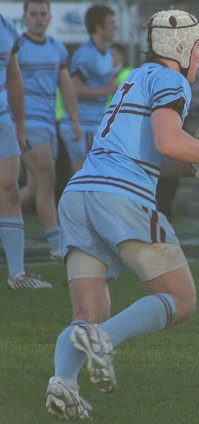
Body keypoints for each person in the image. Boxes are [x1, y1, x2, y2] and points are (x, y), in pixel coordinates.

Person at [45, 9, 199, 420]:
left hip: (80, 194)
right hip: (121, 197)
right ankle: (103, 339)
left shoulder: (133, 78)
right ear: (182, 47)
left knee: (86, 314)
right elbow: (168, 139)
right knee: (182, 299)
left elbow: (155, 150)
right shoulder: (172, 80)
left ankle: (63, 383)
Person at [18, 0, 81, 261]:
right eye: (33, 14)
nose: (39, 18)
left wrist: (74, 119)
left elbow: (66, 87)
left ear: (50, 17)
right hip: (26, 121)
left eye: (43, 14)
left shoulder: (56, 47)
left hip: (48, 123)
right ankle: (57, 245)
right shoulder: (16, 47)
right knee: (47, 178)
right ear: (24, 17)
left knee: (34, 188)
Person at [0, 14, 52, 289]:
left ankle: (17, 275)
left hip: (3, 122)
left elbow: (13, 77)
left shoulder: (7, 26)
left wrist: (20, 124)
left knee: (8, 189)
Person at [60, 5, 117, 173]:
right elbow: (73, 88)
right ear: (98, 27)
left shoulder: (106, 53)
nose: (116, 27)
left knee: (96, 179)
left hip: (95, 124)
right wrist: (106, 91)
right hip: (82, 125)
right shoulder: (86, 54)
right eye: (111, 23)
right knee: (82, 179)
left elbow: (107, 85)